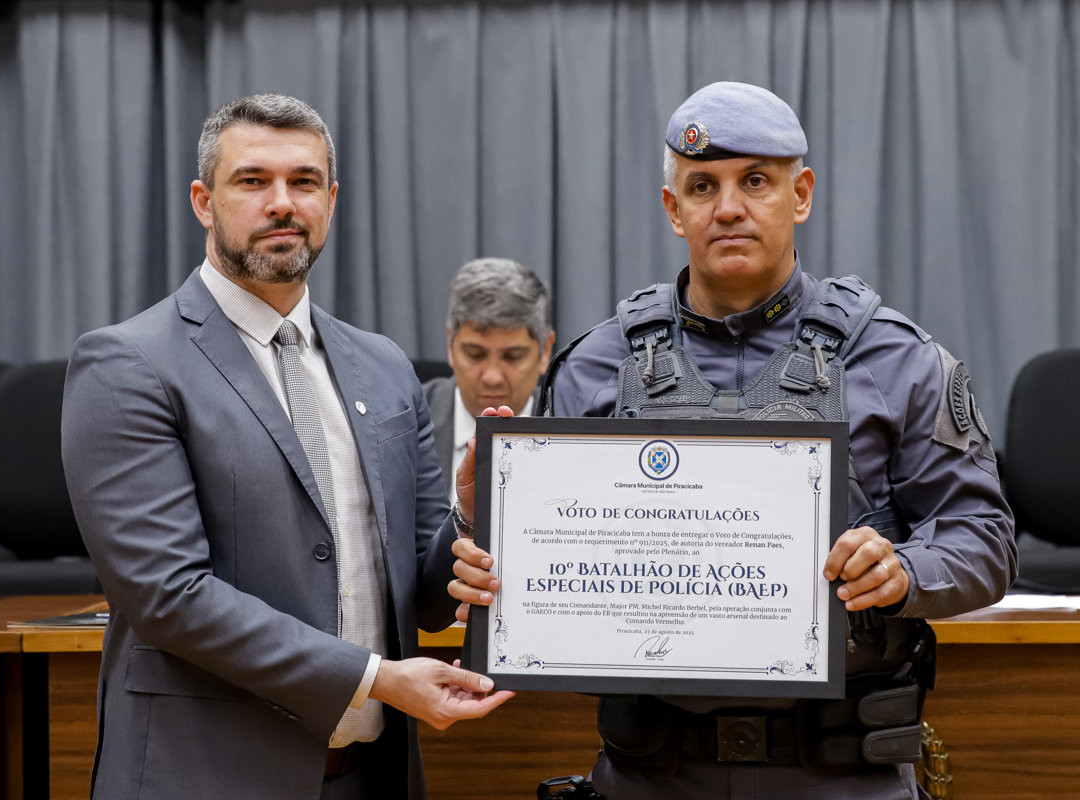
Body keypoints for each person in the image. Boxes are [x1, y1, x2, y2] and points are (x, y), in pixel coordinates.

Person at [452, 81, 1016, 798]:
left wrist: (902, 570)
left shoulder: (898, 357)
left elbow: (986, 540)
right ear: (673, 209)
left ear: (800, 194)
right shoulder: (598, 366)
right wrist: (489, 543)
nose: (728, 208)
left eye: (756, 182)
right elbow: (538, 573)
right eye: (701, 186)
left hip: (842, 776)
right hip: (650, 776)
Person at [61, 93, 512, 800]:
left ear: (330, 201)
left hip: (373, 777)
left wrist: (467, 513)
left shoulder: (385, 365)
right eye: (252, 181)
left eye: (303, 182)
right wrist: (377, 679)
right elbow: (169, 595)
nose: (282, 203)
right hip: (205, 775)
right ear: (203, 202)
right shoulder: (126, 364)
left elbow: (422, 601)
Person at [422, 257, 555, 496]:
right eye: (475, 354)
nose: (492, 377)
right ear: (450, 345)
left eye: (513, 356)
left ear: (545, 351)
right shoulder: (405, 423)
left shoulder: (577, 427)